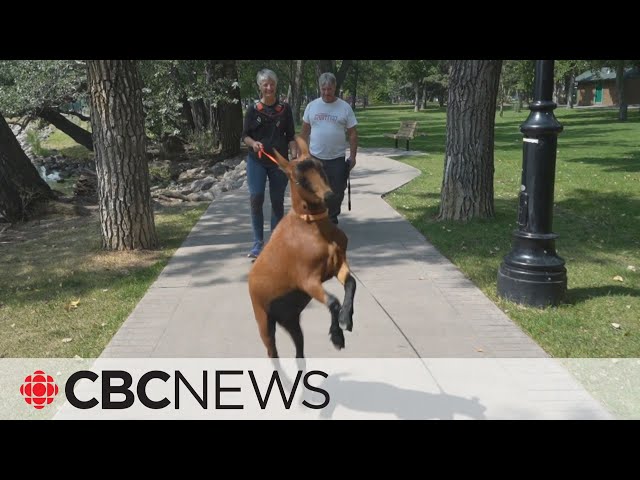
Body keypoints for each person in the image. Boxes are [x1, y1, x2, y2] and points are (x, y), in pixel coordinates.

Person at [242, 69, 297, 258]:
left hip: (278, 162)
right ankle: (258, 243)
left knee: (277, 201)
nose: (269, 87)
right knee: (256, 198)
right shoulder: (253, 109)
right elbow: (245, 136)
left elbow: (290, 136)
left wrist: (294, 156)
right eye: (265, 84)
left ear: (275, 85)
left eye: (271, 83)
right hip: (257, 161)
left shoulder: (284, 109)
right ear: (260, 87)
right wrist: (253, 143)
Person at [301, 72, 358, 225]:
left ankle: (332, 218)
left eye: (330, 89)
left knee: (337, 192)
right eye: (323, 89)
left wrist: (353, 156)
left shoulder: (344, 107)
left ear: (335, 88)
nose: (326, 92)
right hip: (315, 157)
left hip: (337, 159)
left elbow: (352, 134)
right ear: (320, 88)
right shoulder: (312, 106)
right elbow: (304, 132)